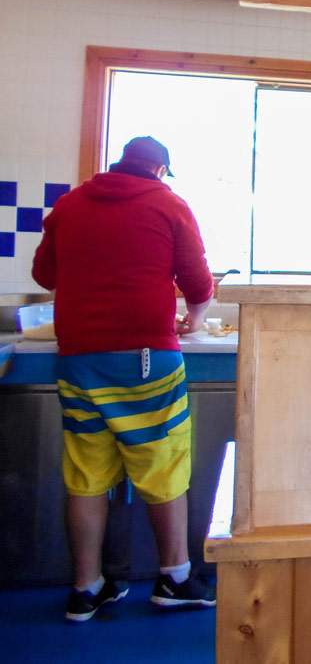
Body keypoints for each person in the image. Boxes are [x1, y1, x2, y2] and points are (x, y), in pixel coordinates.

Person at [31, 136, 217, 621]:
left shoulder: (69, 205)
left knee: (87, 474)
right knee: (162, 464)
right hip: (145, 360)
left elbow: (43, 275)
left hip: (78, 361)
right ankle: (175, 578)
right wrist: (195, 319)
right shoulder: (168, 204)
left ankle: (86, 589)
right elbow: (199, 284)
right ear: (159, 170)